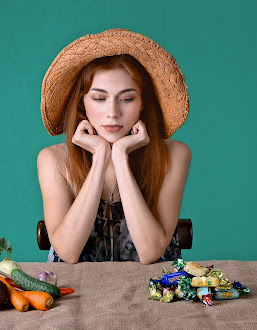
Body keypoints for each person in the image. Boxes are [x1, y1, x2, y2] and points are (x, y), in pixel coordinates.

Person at [37, 29, 191, 264]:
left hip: (154, 292)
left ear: (142, 104)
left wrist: (120, 156)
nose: (112, 113)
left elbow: (150, 252)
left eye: (127, 99)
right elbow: (68, 252)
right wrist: (99, 157)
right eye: (99, 99)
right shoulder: (52, 159)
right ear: (82, 104)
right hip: (76, 293)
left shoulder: (175, 154)